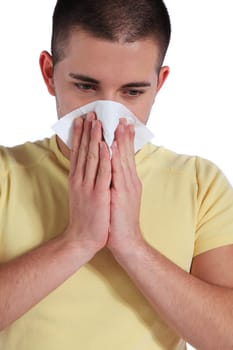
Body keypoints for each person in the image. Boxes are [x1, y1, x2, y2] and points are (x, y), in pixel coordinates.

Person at [0, 0, 233, 349]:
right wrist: (77, 241)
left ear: (160, 82)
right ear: (49, 73)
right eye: (86, 86)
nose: (108, 114)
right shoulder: (6, 173)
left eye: (133, 92)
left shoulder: (199, 183)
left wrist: (132, 246)